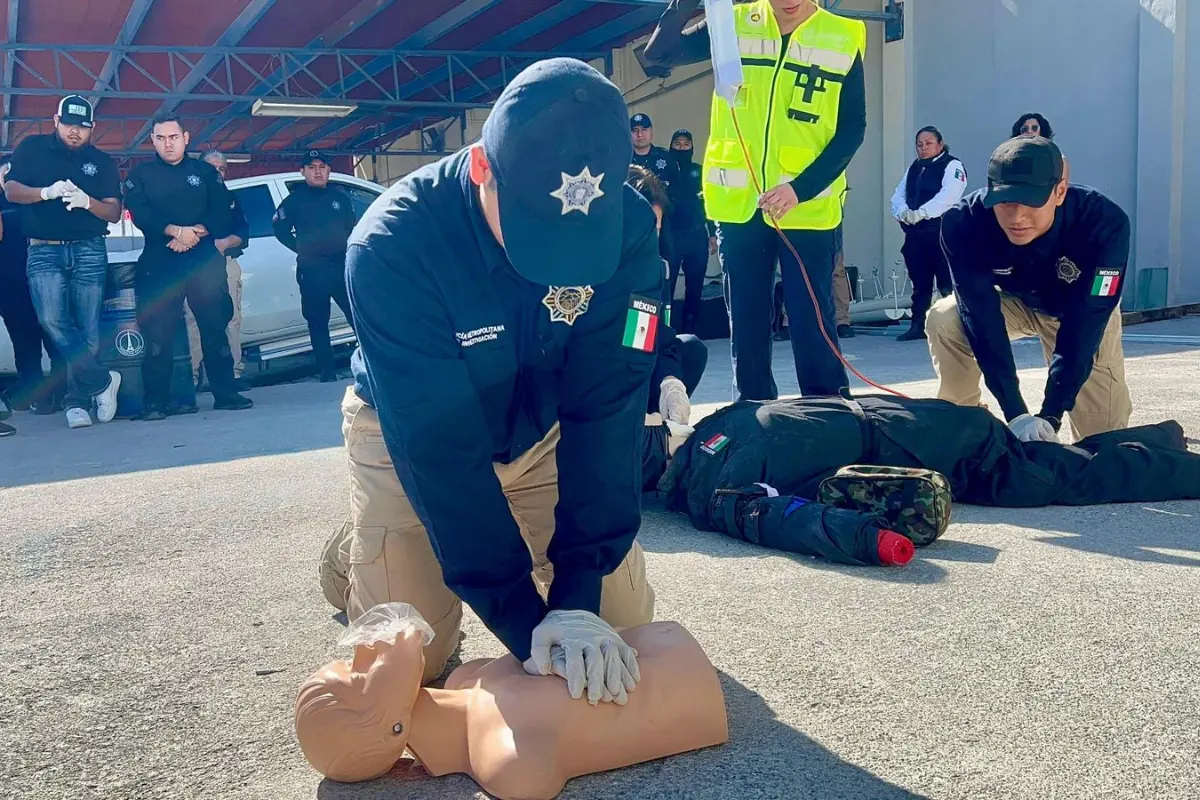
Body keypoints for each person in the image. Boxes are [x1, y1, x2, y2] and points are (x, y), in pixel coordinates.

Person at [320, 59, 662, 704]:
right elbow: (438, 453)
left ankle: (407, 547)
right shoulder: (392, 247)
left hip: (542, 433)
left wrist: (578, 596)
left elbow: (610, 402)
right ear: (482, 168)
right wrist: (527, 622)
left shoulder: (633, 229)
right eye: (536, 235)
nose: (551, 268)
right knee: (411, 669)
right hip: (410, 445)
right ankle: (359, 550)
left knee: (625, 638)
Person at [652, 393, 1200, 565]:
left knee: (1070, 480)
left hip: (943, 451)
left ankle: (1175, 463)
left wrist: (874, 542)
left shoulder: (713, 492)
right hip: (925, 419)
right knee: (1060, 463)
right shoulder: (722, 419)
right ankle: (1163, 436)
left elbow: (792, 522)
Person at [644, 0, 868, 402]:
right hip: (740, 209)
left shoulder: (842, 36)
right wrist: (686, 6)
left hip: (807, 210)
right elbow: (657, 58)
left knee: (811, 322)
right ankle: (754, 412)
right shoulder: (732, 26)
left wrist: (800, 187)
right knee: (746, 324)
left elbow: (853, 129)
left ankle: (829, 414)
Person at [295, 603, 728, 795]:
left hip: (666, 646)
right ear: (389, 728)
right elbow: (535, 776)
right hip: (696, 695)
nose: (363, 653)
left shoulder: (464, 682)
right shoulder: (502, 761)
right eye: (357, 676)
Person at [928, 136, 1132, 443]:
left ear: (1059, 191)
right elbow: (979, 315)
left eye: (1032, 202)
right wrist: (1016, 413)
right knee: (945, 317)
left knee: (1103, 443)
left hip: (1079, 309)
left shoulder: (1104, 223)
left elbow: (1085, 324)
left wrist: (1051, 413)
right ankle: (962, 421)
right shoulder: (963, 223)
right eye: (1006, 201)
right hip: (1015, 301)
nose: (1017, 217)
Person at [2, 95, 123, 429]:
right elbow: (11, 191)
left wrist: (88, 202)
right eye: (69, 124)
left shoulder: (101, 162)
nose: (75, 132)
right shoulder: (31, 148)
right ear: (56, 120)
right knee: (52, 320)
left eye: (82, 128)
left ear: (92, 129)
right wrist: (46, 192)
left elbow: (113, 212)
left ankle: (77, 402)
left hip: (89, 247)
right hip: (43, 248)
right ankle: (102, 380)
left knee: (88, 327)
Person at [123, 113, 253, 420]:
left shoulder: (206, 173)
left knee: (214, 326)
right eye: (160, 138)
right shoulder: (140, 174)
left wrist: (194, 232)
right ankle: (156, 402)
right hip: (160, 258)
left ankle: (225, 393)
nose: (167, 144)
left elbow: (222, 210)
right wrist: (173, 230)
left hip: (202, 259)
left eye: (173, 137)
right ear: (152, 140)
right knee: (158, 332)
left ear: (185, 138)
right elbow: (140, 213)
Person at [271, 150, 358, 382]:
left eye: (322, 166)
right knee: (318, 320)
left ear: (329, 170)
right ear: (303, 172)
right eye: (312, 167)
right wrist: (301, 247)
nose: (318, 171)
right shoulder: (295, 200)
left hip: (340, 265)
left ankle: (367, 363)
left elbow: (351, 227)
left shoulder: (339, 198)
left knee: (356, 315)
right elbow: (280, 229)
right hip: (313, 269)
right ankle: (327, 372)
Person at [0, 158, 66, 415]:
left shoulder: (36, 200)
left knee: (54, 335)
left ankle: (61, 392)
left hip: (43, 277)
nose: (8, 177)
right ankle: (32, 393)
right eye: (4, 173)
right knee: (23, 341)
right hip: (9, 282)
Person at [889, 126, 968, 341]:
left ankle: (956, 327)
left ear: (940, 144)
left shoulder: (952, 165)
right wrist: (903, 212)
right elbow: (899, 194)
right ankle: (918, 325)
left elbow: (949, 195)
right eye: (919, 144)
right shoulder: (915, 167)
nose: (923, 148)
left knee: (946, 283)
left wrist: (923, 213)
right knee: (920, 282)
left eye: (928, 143)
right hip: (916, 236)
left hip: (941, 233)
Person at [184, 150, 249, 391]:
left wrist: (223, 243)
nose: (218, 174)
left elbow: (243, 233)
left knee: (231, 318)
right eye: (212, 169)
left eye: (222, 169)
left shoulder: (230, 199)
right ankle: (191, 376)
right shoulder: (187, 199)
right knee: (193, 321)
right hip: (194, 267)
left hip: (225, 263)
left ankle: (232, 374)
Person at [664, 129, 715, 334]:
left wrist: (712, 233)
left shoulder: (700, 171)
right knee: (667, 285)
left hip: (696, 236)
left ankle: (690, 330)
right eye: (678, 144)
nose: (682, 148)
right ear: (671, 147)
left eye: (686, 144)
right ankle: (665, 330)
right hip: (671, 236)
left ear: (692, 147)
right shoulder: (665, 171)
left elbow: (710, 205)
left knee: (695, 286)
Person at [629, 113, 679, 268]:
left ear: (652, 132)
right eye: (635, 130)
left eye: (644, 129)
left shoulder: (666, 158)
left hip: (663, 222)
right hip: (631, 224)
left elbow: (676, 190)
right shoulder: (623, 159)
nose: (640, 134)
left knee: (665, 263)